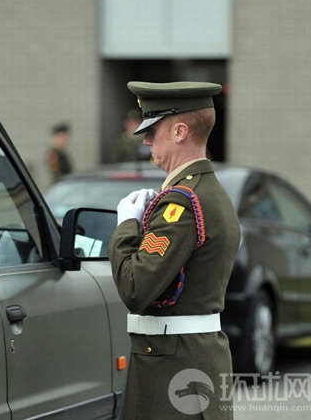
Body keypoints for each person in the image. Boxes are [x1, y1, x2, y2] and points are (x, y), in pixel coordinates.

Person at [108, 81, 240, 419]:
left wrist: (126, 226)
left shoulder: (182, 204)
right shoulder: (208, 192)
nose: (146, 140)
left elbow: (135, 287)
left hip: (174, 372)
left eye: (153, 130)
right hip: (192, 363)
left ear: (180, 132)